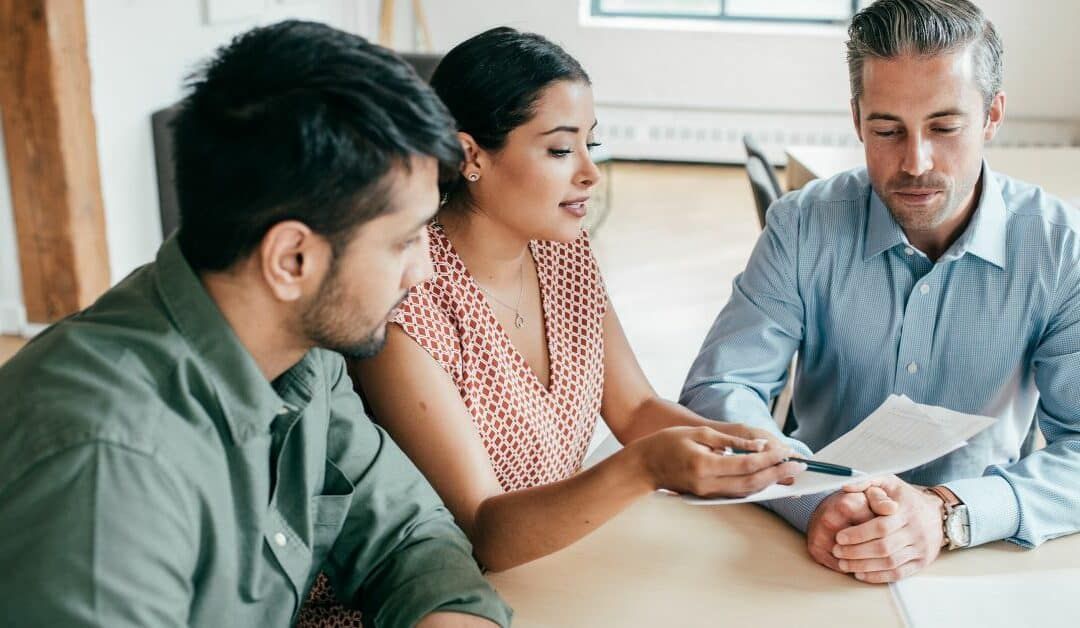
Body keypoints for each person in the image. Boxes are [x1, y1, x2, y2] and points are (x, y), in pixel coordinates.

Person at [0, 21, 511, 627]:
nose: (423, 272)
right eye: (403, 241)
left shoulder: (306, 353)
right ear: (291, 259)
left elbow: (411, 536)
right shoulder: (107, 464)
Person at [357, 27, 805, 572]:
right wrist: (642, 469)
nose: (590, 173)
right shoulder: (405, 294)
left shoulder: (561, 253)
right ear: (469, 155)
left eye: (589, 145)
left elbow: (635, 408)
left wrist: (740, 443)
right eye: (561, 149)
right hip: (428, 593)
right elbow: (484, 533)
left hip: (553, 567)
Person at [682, 0, 1080, 584]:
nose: (915, 163)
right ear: (856, 119)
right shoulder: (801, 225)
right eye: (887, 129)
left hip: (984, 552)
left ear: (993, 115)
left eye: (944, 127)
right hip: (813, 541)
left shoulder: (1059, 247)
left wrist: (949, 512)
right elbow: (719, 391)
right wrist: (810, 497)